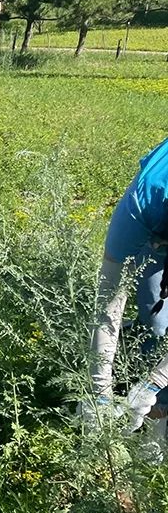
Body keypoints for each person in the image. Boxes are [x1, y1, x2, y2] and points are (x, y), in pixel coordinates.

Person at [85, 136, 168, 436]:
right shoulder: (141, 203)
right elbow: (109, 300)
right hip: (153, 216)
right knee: (154, 324)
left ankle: (155, 414)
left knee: (160, 330)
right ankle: (119, 393)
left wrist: (153, 384)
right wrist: (99, 390)